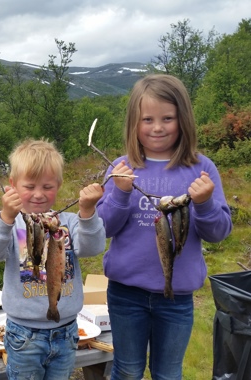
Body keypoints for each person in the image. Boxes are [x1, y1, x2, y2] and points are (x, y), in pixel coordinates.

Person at [96, 74, 233, 379]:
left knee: (168, 373)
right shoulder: (122, 168)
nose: (157, 127)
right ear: (134, 122)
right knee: (128, 370)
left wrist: (206, 203)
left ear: (182, 119)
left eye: (167, 118)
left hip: (178, 297)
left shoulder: (202, 168)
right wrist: (119, 191)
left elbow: (219, 233)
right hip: (125, 293)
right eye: (147, 119)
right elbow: (103, 228)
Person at [0, 138, 106, 380]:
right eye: (30, 186)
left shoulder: (67, 222)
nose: (38, 194)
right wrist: (5, 217)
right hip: (23, 335)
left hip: (66, 332)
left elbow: (93, 247)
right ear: (13, 185)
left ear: (59, 185)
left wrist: (87, 212)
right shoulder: (10, 223)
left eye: (47, 187)